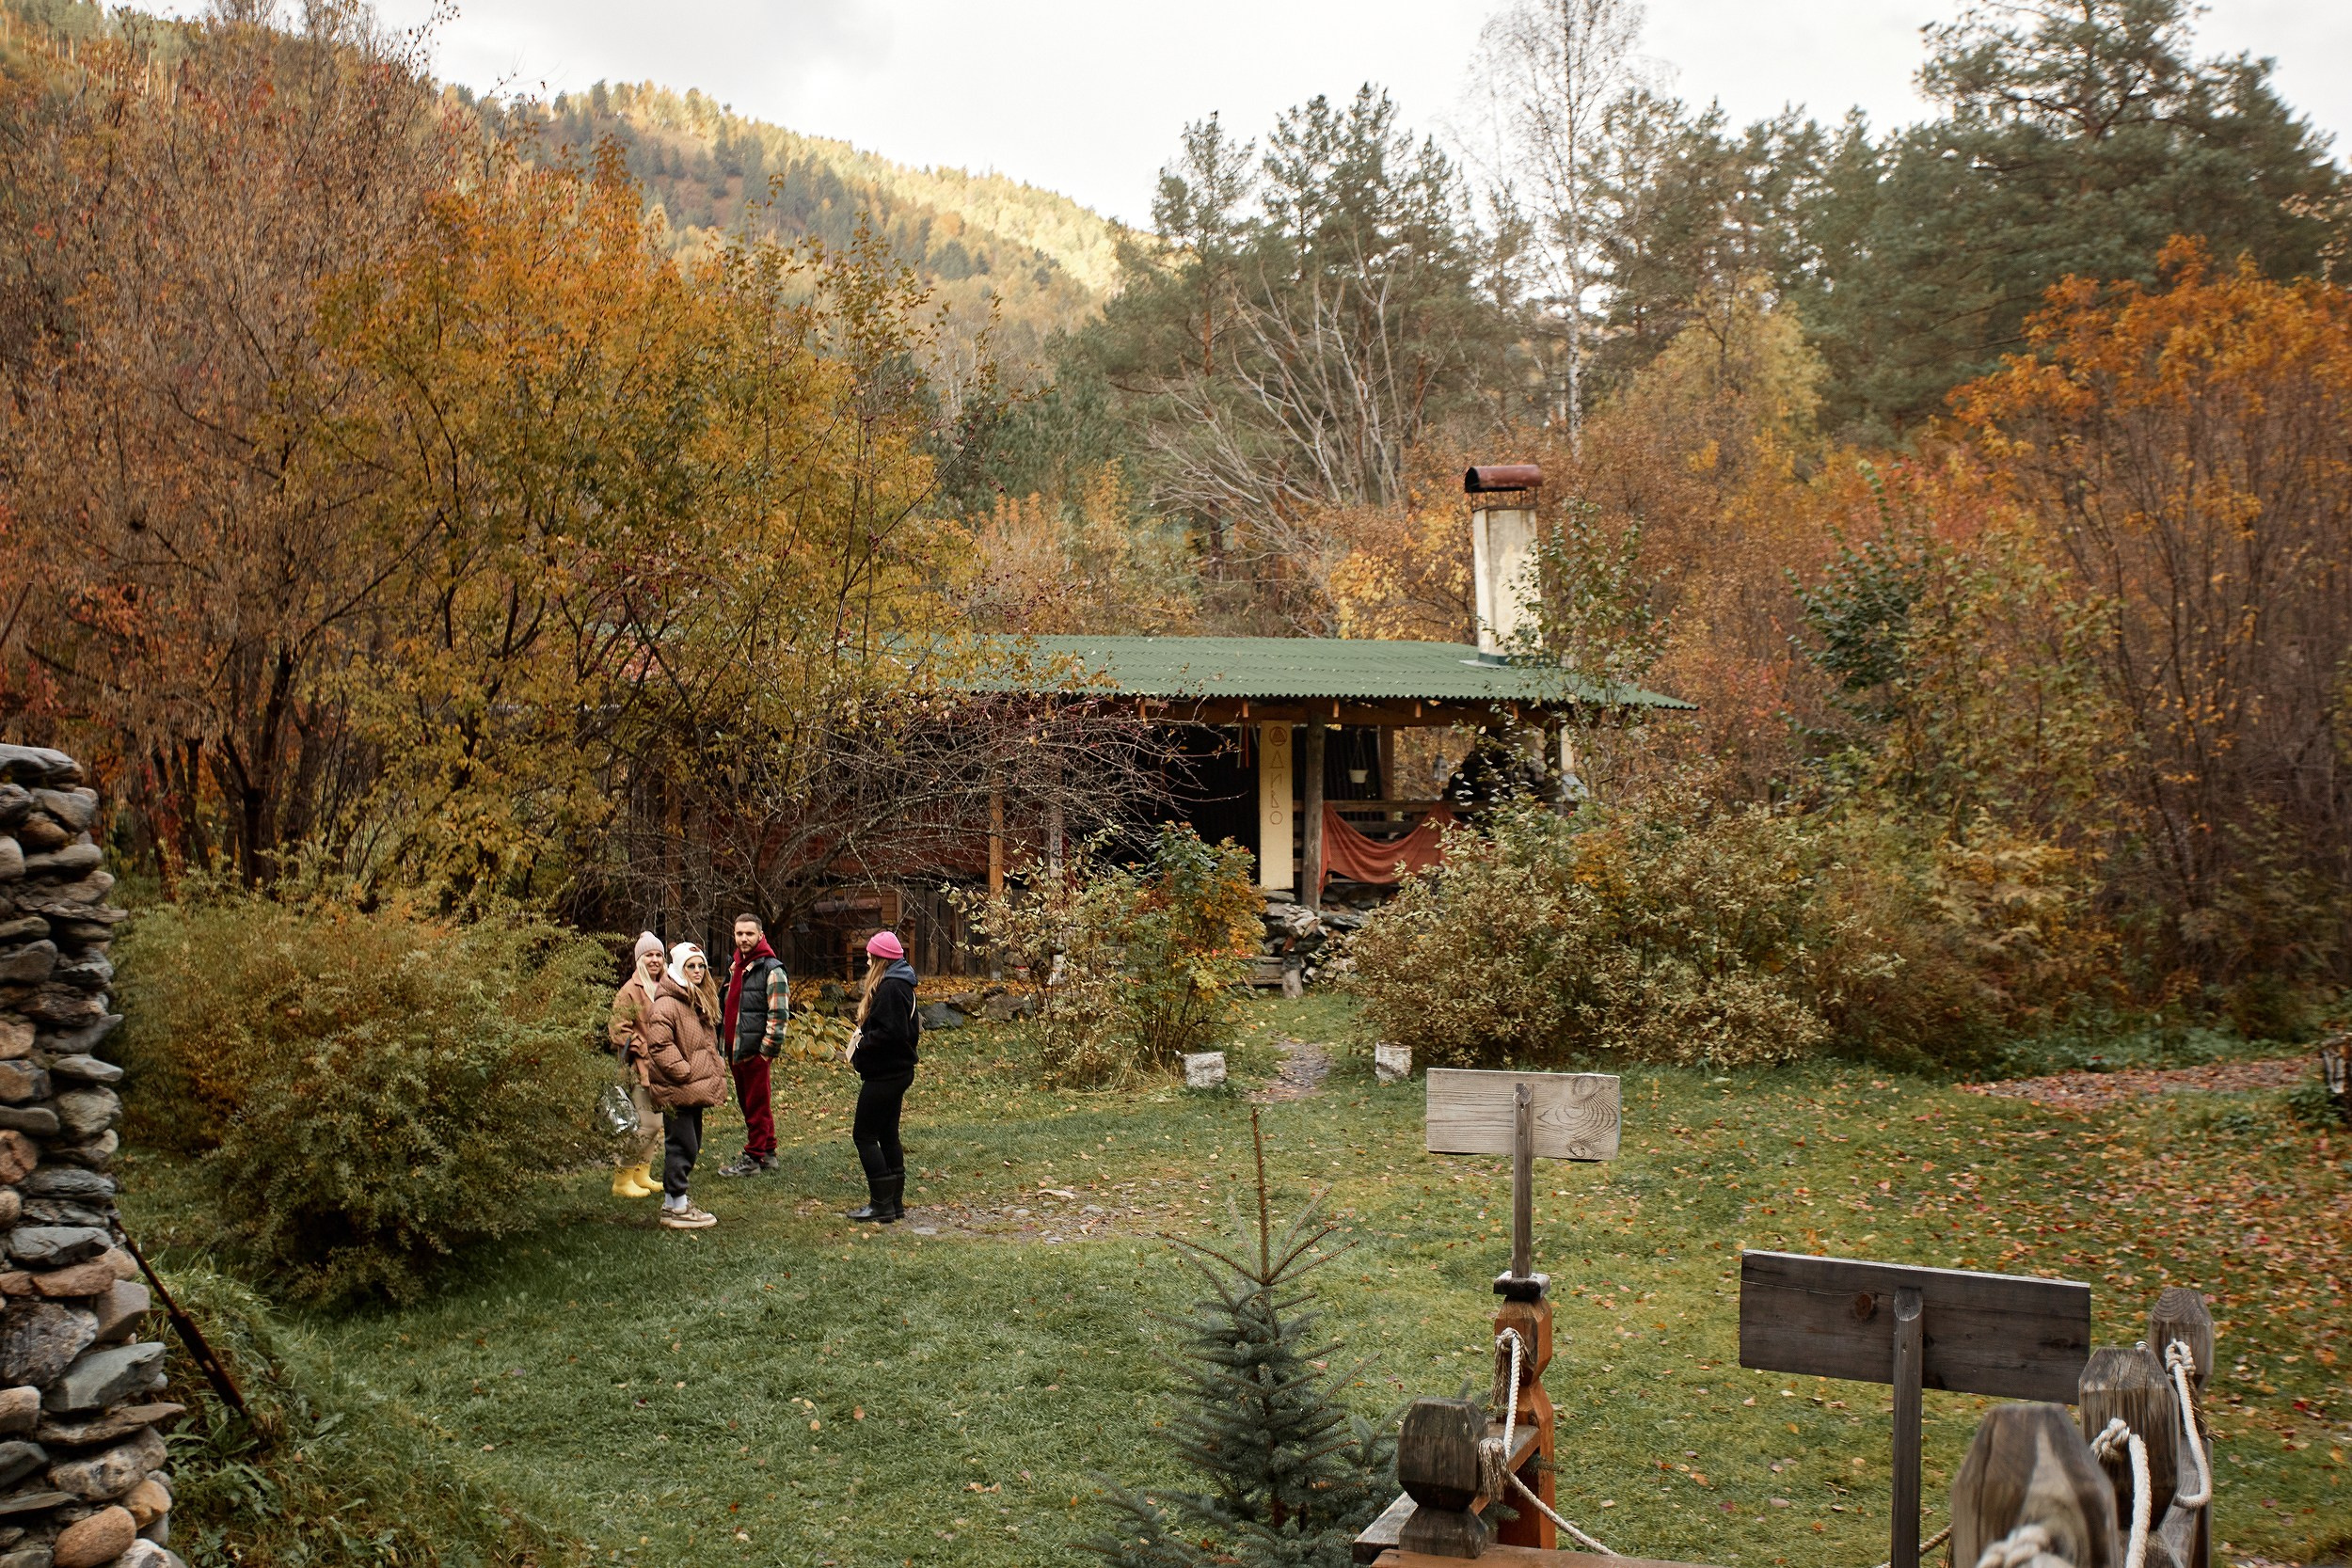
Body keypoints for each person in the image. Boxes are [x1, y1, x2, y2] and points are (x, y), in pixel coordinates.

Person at [641, 942, 728, 1230]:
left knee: (691, 1143)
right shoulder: (668, 1003)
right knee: (682, 1145)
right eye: (691, 966)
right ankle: (677, 1206)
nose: (698, 971)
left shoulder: (694, 999)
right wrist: (684, 1072)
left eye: (701, 965)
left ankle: (673, 1202)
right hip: (677, 1087)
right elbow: (660, 1044)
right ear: (678, 968)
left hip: (692, 1088)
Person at [844, 929, 921, 1223]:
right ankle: (894, 1205)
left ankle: (881, 1205)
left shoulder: (891, 988)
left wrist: (862, 1041)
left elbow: (892, 1033)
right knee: (887, 1134)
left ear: (880, 959)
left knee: (863, 1136)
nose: (866, 960)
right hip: (896, 1071)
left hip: (886, 1074)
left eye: (869, 955)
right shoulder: (900, 983)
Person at [717, 912, 788, 1178]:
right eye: (739, 934)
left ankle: (752, 1158)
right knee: (751, 1104)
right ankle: (768, 1152)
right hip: (736, 1048)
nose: (744, 938)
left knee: (756, 1106)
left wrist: (765, 1053)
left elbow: (779, 1014)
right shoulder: (737, 966)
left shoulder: (772, 969)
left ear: (760, 935)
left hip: (755, 1052)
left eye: (749, 933)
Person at [605, 931, 667, 1199]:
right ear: (639, 959)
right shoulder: (630, 991)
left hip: (664, 1067)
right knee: (646, 1124)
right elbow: (617, 1029)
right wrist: (642, 1047)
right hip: (640, 1068)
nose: (654, 960)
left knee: (657, 1123)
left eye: (658, 955)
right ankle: (622, 1177)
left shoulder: (666, 985)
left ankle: (642, 1173)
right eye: (649, 955)